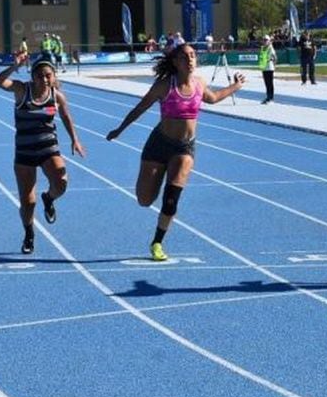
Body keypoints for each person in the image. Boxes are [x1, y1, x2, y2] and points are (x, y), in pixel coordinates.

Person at [105, 44, 245, 261]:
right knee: (144, 199)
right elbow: (140, 108)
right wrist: (120, 129)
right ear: (175, 62)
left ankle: (157, 243)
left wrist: (235, 86)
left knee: (171, 200)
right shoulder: (164, 86)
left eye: (192, 55)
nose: (190, 59)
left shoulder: (199, 84)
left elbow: (214, 98)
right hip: (159, 144)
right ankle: (157, 179)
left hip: (184, 148)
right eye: (184, 56)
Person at [0, 52, 86, 254]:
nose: (45, 79)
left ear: (54, 76)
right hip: (25, 151)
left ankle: (49, 198)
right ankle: (29, 234)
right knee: (28, 202)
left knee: (61, 183)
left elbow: (66, 117)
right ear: (33, 76)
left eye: (48, 75)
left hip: (48, 148)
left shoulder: (57, 96)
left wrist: (75, 140)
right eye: (40, 76)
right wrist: (13, 66)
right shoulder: (21, 90)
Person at [258, 34, 277, 104]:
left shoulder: (270, 48)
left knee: (270, 83)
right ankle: (268, 97)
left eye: (266, 40)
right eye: (264, 40)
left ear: (269, 41)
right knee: (266, 83)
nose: (264, 41)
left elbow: (275, 57)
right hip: (264, 68)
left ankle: (271, 98)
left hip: (270, 67)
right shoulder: (262, 48)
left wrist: (274, 65)